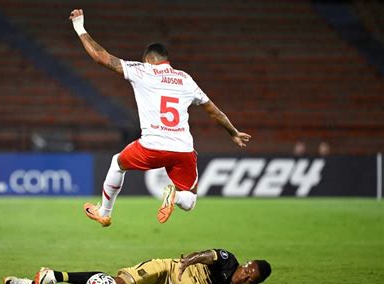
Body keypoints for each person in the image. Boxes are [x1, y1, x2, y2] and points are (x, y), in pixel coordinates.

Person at [69, 9, 251, 227]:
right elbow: (214, 112)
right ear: (167, 60)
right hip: (183, 149)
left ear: (148, 59)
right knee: (190, 199)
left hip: (152, 146)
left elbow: (101, 57)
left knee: (117, 163)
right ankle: (175, 196)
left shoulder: (143, 71)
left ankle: (105, 212)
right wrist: (233, 133)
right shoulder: (185, 79)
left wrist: (79, 27)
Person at [3, 248, 271, 284]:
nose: (244, 278)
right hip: (166, 270)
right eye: (247, 272)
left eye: (250, 280)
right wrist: (186, 261)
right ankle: (56, 274)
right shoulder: (228, 260)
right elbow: (207, 255)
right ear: (245, 264)